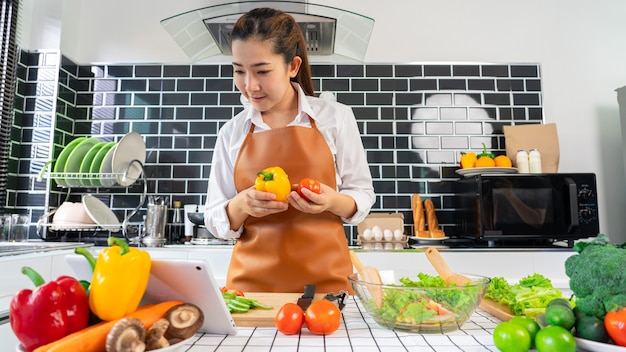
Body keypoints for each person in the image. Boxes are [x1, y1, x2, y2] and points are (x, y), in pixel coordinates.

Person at [204, 7, 375, 294]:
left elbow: (362, 194)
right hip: (251, 292)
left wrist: (333, 201)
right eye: (238, 71)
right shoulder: (231, 133)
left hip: (326, 288)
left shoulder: (336, 118)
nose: (249, 86)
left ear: (293, 66)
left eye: (262, 71)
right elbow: (214, 219)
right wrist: (243, 204)